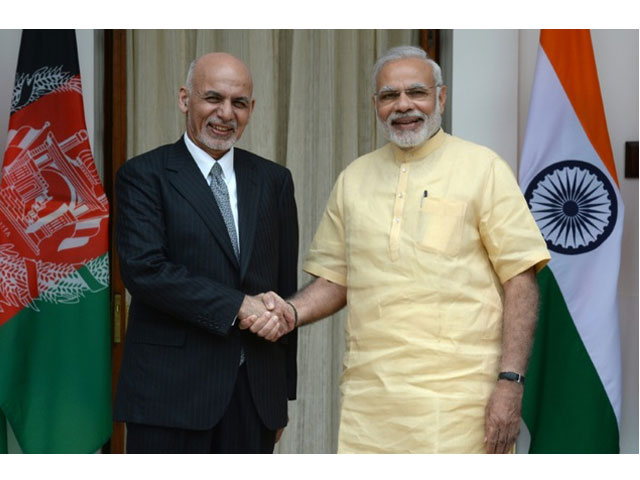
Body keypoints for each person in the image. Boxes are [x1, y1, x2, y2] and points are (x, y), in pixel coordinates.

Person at [242, 46, 550, 453]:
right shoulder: (354, 178)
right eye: (389, 96)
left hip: (461, 405)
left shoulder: (483, 169)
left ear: (440, 98)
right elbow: (336, 279)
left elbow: (520, 280)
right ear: (375, 104)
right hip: (370, 406)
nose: (403, 105)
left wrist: (510, 384)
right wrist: (291, 312)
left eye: (416, 92)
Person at [113, 52, 298, 453]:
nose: (225, 113)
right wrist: (239, 306)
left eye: (239, 103)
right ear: (185, 99)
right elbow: (146, 272)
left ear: (251, 109)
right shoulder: (143, 175)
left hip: (254, 397)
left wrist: (281, 394)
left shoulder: (274, 180)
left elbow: (284, 289)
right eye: (213, 98)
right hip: (169, 397)